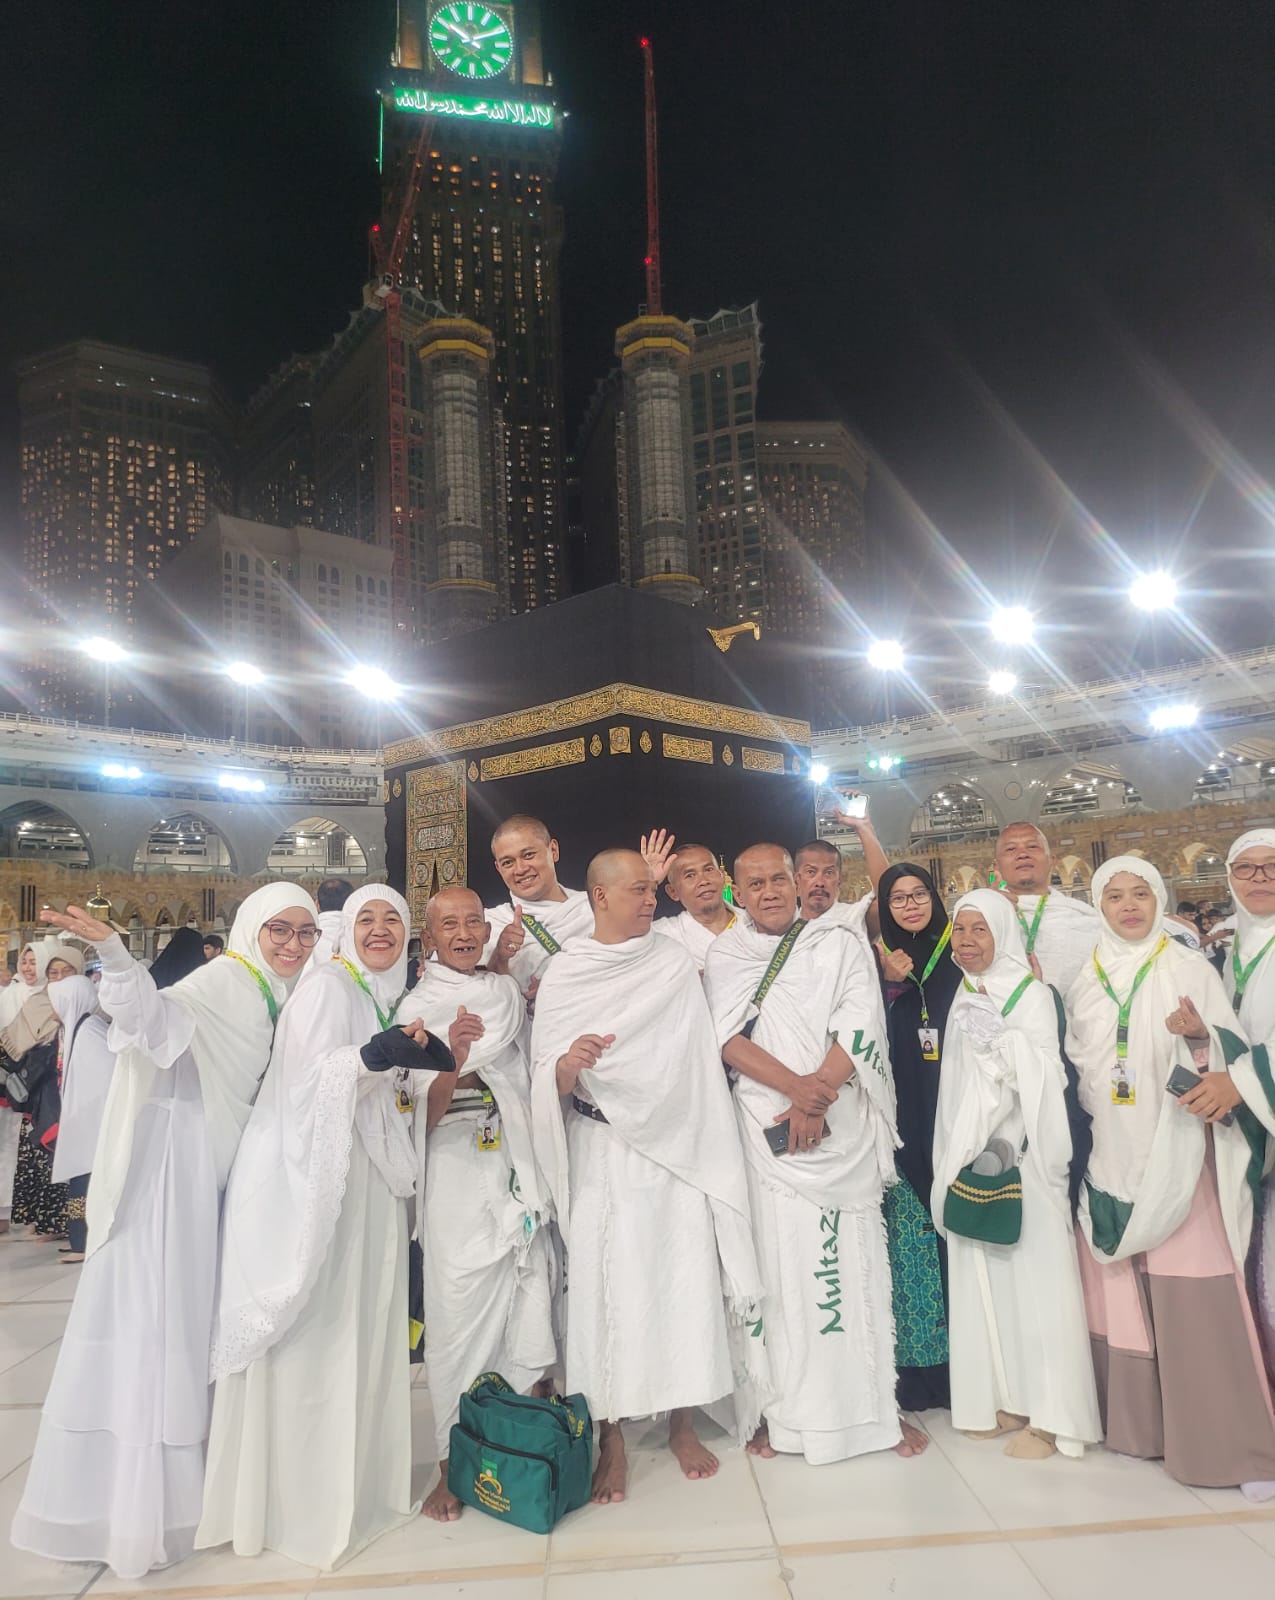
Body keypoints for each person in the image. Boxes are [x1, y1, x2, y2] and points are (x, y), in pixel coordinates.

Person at [10, 884, 321, 1579]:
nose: (292, 944)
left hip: (207, 1171)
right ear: (251, 928)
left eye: (306, 932)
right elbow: (153, 1022)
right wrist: (119, 962)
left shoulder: (279, 992)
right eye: (279, 929)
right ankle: (135, 1510)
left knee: (185, 1325)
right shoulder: (226, 979)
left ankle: (187, 1493)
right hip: (167, 1176)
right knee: (154, 1326)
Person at [197, 885, 440, 1569]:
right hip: (315, 1182)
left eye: (393, 919)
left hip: (360, 1182)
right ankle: (302, 1507)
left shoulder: (377, 996)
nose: (381, 929)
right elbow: (304, 1082)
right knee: (320, 1335)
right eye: (367, 918)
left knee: (358, 1330)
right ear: (346, 930)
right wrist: (370, 1058)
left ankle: (354, 1491)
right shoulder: (330, 986)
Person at [530, 849, 766, 1505]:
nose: (649, 901)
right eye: (637, 890)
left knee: (683, 1279)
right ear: (599, 896)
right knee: (605, 1290)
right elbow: (547, 1076)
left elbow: (691, 1058)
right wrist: (568, 1065)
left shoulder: (670, 961)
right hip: (603, 1147)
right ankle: (610, 1435)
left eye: (650, 890)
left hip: (677, 1145)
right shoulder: (568, 970)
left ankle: (682, 1422)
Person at [705, 844, 920, 1464]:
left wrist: (817, 1095)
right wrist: (796, 1090)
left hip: (839, 1124)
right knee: (779, 1272)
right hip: (766, 1126)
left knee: (853, 1269)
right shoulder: (727, 954)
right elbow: (725, 1037)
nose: (770, 892)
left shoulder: (840, 943)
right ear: (737, 893)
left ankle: (871, 1414)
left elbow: (861, 1026)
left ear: (797, 882)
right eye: (755, 884)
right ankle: (785, 1415)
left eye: (779, 879)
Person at [1068, 855, 1275, 1495]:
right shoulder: (1085, 978)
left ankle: (1225, 1447)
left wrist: (1200, 1039)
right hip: (1110, 1154)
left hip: (1181, 1152)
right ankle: (1141, 1430)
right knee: (1123, 1295)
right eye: (1115, 897)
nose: (1129, 906)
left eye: (1140, 893)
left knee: (1193, 1291)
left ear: (1160, 900)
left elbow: (1230, 1063)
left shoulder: (1188, 968)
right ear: (1099, 907)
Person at [398, 886, 557, 1522]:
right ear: (430, 937)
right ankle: (450, 1462)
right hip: (455, 1166)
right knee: (455, 1311)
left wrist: (504, 967)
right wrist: (453, 1060)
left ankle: (524, 1442)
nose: (464, 933)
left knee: (527, 1291)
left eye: (473, 922)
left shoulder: (502, 992)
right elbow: (418, 1119)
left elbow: (523, 1067)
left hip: (512, 1155)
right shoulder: (416, 1007)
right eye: (450, 925)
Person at [933, 890, 1101, 1458]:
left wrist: (1001, 1042)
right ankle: (1007, 1399)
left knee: (1039, 1287)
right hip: (972, 1159)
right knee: (987, 1283)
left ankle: (1055, 1419)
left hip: (1023, 1160)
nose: (967, 941)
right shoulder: (965, 992)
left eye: (980, 930)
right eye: (960, 930)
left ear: (1003, 934)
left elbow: (1048, 1076)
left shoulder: (1030, 994)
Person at [875, 862, 962, 1412]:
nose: (910, 905)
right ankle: (920, 1374)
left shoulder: (961, 953)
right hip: (903, 1124)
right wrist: (887, 983)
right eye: (898, 898)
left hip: (957, 1118)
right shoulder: (874, 962)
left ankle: (968, 1370)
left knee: (960, 1245)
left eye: (919, 894)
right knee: (912, 1251)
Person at [1220, 829, 1275, 1360]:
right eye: (1246, 868)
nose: (1260, 878)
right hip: (1250, 1130)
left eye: (1272, 866)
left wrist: (1239, 1080)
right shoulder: (1230, 948)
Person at [5, 939, 80, 1240]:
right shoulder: (36, 1001)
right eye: (54, 972)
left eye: (67, 972)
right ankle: (44, 1220)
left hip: (70, 1093)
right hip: (38, 1093)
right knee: (38, 1157)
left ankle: (67, 1224)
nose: (58, 978)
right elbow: (14, 1041)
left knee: (62, 1156)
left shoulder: (87, 1004)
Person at [484, 816, 595, 996]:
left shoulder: (595, 907)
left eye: (528, 855)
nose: (520, 869)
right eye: (508, 862)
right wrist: (499, 956)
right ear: (498, 869)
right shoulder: (490, 924)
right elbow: (476, 993)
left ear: (553, 850)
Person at [48, 972, 113, 1263]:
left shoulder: (89, 1034)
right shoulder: (79, 1030)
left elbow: (103, 1080)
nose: (51, 1008)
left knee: (85, 1180)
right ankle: (79, 1241)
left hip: (92, 1123)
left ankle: (83, 1242)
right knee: (81, 1179)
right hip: (84, 1122)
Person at [991, 823, 1100, 991]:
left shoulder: (1086, 920)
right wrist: (988, 913)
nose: (1022, 854)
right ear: (996, 867)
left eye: (1032, 846)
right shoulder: (984, 917)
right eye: (1011, 849)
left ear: (1051, 861)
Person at [652, 842, 736, 972]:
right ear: (673, 892)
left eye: (709, 870)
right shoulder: (662, 934)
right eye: (690, 875)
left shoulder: (755, 923)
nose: (704, 881)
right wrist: (648, 882)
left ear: (722, 877)